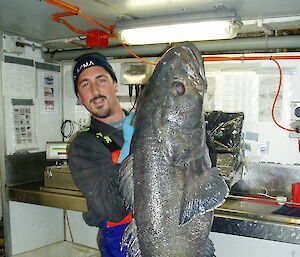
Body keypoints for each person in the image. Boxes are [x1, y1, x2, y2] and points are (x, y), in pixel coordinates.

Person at [68, 53, 132, 257]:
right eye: (85, 85)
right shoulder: (83, 146)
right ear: (80, 96)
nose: (95, 91)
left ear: (115, 84)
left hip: (171, 229)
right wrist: (133, 151)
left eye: (101, 80)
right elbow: (113, 209)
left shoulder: (150, 126)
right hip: (123, 241)